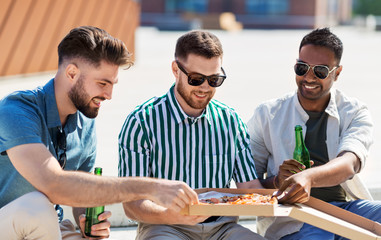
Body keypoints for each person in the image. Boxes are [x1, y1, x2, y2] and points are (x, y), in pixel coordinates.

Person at [0, 26, 199, 240]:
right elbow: (53, 184)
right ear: (72, 73)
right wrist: (151, 187)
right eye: (102, 83)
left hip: (51, 228)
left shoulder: (85, 121)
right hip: (11, 224)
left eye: (112, 84)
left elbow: (80, 197)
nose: (109, 95)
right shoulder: (16, 110)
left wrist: (90, 222)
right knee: (36, 205)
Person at [118, 30, 265, 239]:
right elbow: (132, 205)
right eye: (196, 79)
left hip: (223, 229)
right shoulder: (141, 123)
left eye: (214, 79)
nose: (205, 87)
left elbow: (250, 188)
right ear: (175, 70)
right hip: (165, 227)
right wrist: (171, 215)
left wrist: (283, 187)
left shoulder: (231, 121)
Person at [247, 27, 381, 240]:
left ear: (337, 73)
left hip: (345, 210)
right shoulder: (267, 114)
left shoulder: (355, 112)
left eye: (319, 71)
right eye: (301, 68)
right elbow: (247, 182)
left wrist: (307, 177)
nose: (308, 77)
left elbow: (349, 164)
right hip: (294, 217)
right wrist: (277, 181)